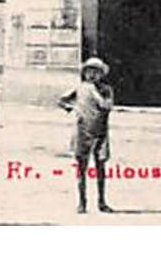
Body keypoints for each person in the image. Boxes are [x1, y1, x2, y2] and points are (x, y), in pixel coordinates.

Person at [59, 56, 116, 214]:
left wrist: (94, 92)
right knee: (81, 169)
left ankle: (101, 202)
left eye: (95, 72)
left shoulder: (106, 90)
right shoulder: (79, 88)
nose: (91, 75)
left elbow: (107, 106)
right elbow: (62, 100)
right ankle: (82, 203)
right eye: (89, 71)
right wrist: (72, 107)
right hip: (82, 131)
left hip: (100, 132)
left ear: (101, 74)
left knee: (100, 168)